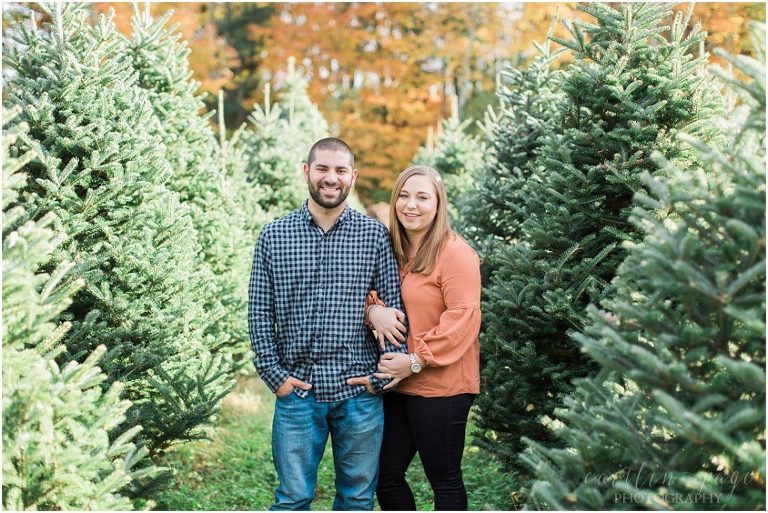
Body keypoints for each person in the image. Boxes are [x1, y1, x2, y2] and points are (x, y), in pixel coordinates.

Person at [248, 137, 407, 511]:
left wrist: (380, 377)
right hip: (297, 392)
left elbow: (394, 312)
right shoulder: (274, 236)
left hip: (359, 395)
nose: (330, 178)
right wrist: (275, 376)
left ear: (352, 176)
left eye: (339, 170)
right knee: (292, 498)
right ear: (307, 172)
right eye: (322, 169)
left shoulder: (373, 236)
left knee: (356, 498)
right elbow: (258, 310)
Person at [348, 165, 481, 511]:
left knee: (444, 478)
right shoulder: (391, 249)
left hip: (442, 386)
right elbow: (361, 290)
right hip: (398, 385)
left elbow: (463, 320)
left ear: (438, 204)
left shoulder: (456, 255)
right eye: (404, 196)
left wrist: (416, 360)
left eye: (422, 197)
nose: (411, 205)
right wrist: (371, 311)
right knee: (384, 477)